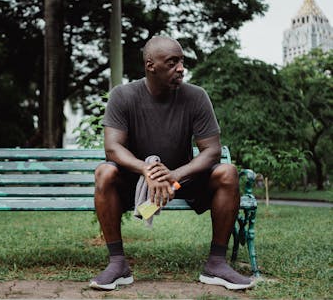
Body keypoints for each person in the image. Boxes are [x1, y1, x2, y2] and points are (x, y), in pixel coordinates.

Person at [89, 36, 254, 291]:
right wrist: (146, 169)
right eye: (172, 62)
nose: (180, 68)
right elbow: (112, 147)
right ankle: (118, 264)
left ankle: (216, 265)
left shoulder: (196, 97)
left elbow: (211, 151)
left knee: (228, 172)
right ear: (150, 65)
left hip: (183, 180)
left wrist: (174, 174)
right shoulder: (123, 95)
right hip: (136, 182)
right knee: (104, 172)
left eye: (182, 61)